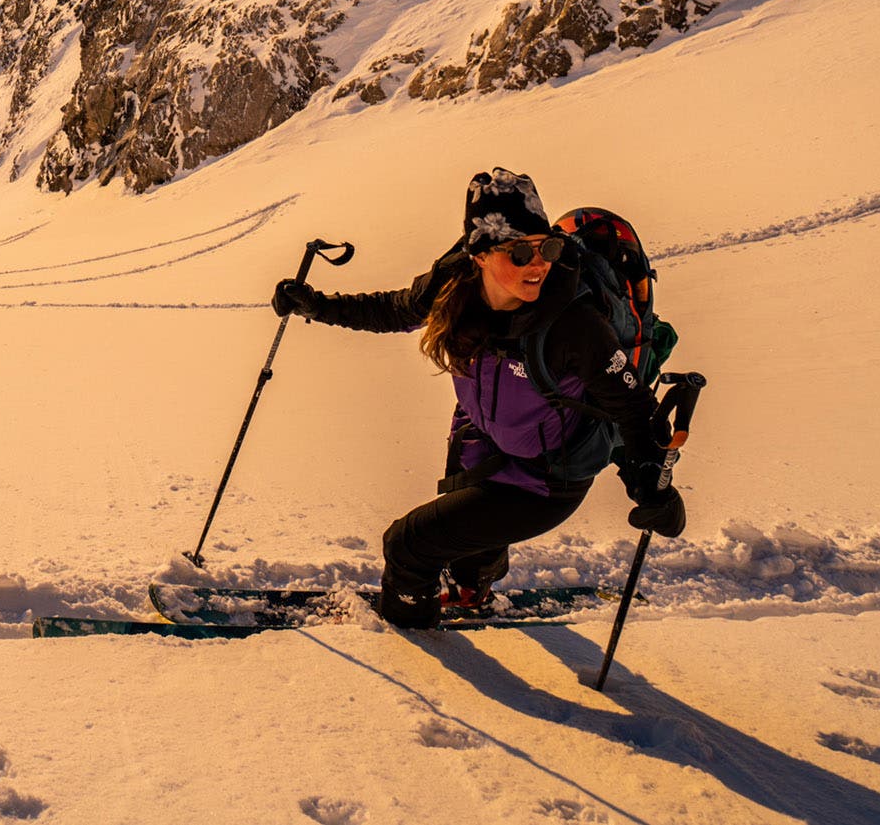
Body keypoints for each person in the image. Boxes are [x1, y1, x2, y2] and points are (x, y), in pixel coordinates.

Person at [272, 168, 685, 629]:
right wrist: (318, 306)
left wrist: (650, 479)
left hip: (548, 479)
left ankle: (406, 632)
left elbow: (633, 408)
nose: (539, 264)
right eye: (520, 251)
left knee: (409, 545)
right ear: (481, 255)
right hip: (483, 437)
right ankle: (472, 586)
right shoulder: (455, 283)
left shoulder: (575, 325)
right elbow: (394, 309)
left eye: (547, 247)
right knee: (465, 548)